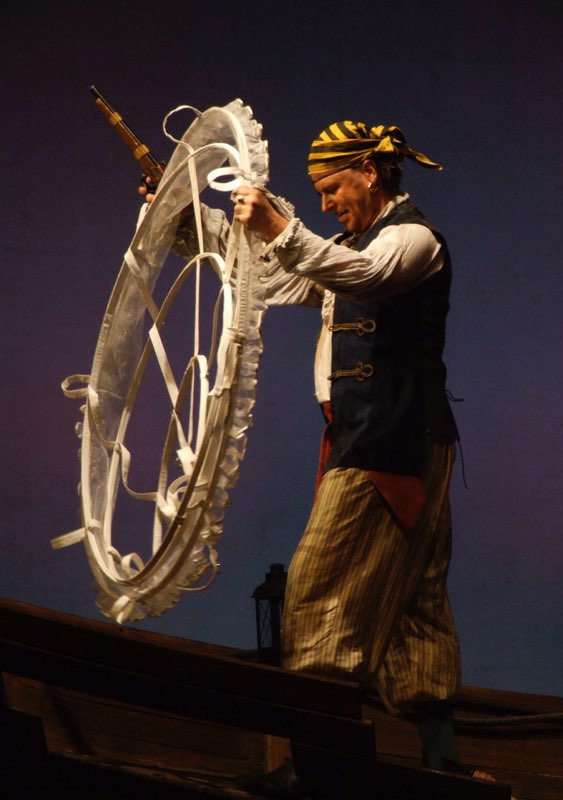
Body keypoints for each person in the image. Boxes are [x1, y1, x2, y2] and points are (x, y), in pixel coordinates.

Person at [142, 119, 482, 796]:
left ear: (369, 171)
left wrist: (280, 224)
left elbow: (360, 274)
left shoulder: (413, 241)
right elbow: (270, 275)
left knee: (318, 588)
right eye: (318, 193)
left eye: (332, 188)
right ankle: (442, 760)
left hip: (390, 439)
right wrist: (183, 221)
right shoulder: (343, 249)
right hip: (374, 434)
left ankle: (320, 765)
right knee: (413, 597)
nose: (325, 204)